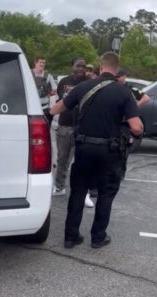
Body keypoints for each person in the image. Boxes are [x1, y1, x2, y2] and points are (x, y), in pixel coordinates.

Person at [50, 52, 144, 249]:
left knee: (78, 192)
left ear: (101, 67)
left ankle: (70, 236)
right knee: (105, 194)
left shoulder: (82, 87)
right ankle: (98, 237)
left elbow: (55, 109)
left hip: (84, 148)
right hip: (109, 152)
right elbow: (136, 127)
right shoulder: (123, 92)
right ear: (116, 70)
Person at [52, 58, 94, 208]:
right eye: (78, 66)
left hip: (83, 127)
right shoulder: (64, 81)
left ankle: (84, 193)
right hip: (65, 124)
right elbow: (60, 101)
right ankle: (59, 187)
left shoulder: (91, 82)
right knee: (62, 158)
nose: (80, 68)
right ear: (72, 67)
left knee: (83, 161)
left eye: (83, 66)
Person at [116, 68, 150, 180]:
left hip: (126, 124)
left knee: (123, 149)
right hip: (115, 122)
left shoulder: (131, 89)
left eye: (119, 76)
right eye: (116, 76)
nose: (118, 78)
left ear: (124, 76)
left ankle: (121, 174)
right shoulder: (114, 87)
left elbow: (146, 98)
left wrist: (135, 107)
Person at [32, 57, 57, 125]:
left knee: (45, 130)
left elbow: (54, 91)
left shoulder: (48, 76)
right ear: (35, 63)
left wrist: (52, 106)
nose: (42, 64)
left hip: (45, 108)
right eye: (40, 62)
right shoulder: (28, 74)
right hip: (31, 108)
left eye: (44, 63)